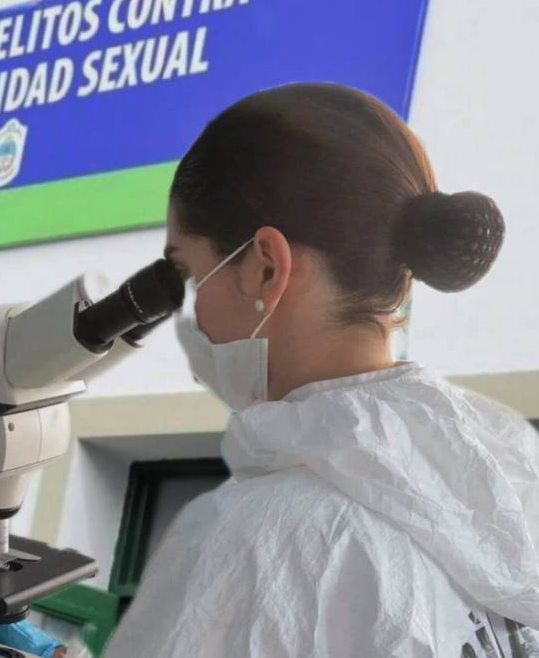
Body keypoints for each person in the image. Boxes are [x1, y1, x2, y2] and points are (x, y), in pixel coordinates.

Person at [101, 82, 539, 657]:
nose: (193, 314)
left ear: (265, 269)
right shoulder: (507, 478)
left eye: (188, 273)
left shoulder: (251, 543)